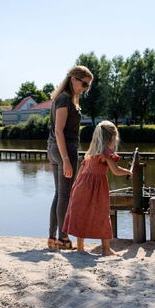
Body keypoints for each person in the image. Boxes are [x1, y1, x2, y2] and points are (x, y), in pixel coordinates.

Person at [63, 121, 132, 255]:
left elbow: (82, 169)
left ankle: (80, 248)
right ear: (112, 137)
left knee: (81, 214)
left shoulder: (91, 151)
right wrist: (129, 172)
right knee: (102, 215)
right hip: (97, 188)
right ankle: (106, 249)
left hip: (81, 185)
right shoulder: (106, 152)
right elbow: (116, 171)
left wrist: (75, 185)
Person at [47, 65, 93, 250]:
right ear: (73, 79)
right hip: (64, 150)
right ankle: (63, 239)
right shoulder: (65, 99)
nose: (85, 88)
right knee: (64, 195)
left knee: (60, 194)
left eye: (88, 86)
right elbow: (59, 130)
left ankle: (53, 238)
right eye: (83, 83)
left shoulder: (64, 98)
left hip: (55, 148)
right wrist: (66, 159)